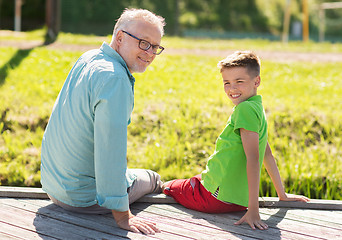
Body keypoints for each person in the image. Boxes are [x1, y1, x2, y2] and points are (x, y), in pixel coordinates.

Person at [41, 8, 166, 235]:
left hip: (54, 187)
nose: (150, 53)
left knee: (130, 173)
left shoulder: (89, 57)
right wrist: (122, 215)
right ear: (120, 37)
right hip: (82, 199)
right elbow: (111, 151)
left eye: (156, 47)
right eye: (144, 43)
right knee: (153, 178)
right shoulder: (115, 79)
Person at [163, 51, 310, 230]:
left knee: (168, 186)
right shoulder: (256, 107)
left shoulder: (244, 110)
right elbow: (267, 154)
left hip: (214, 198)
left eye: (239, 81)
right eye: (227, 83)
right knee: (199, 178)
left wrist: (254, 210)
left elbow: (254, 160)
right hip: (237, 201)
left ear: (256, 81)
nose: (232, 88)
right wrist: (282, 194)